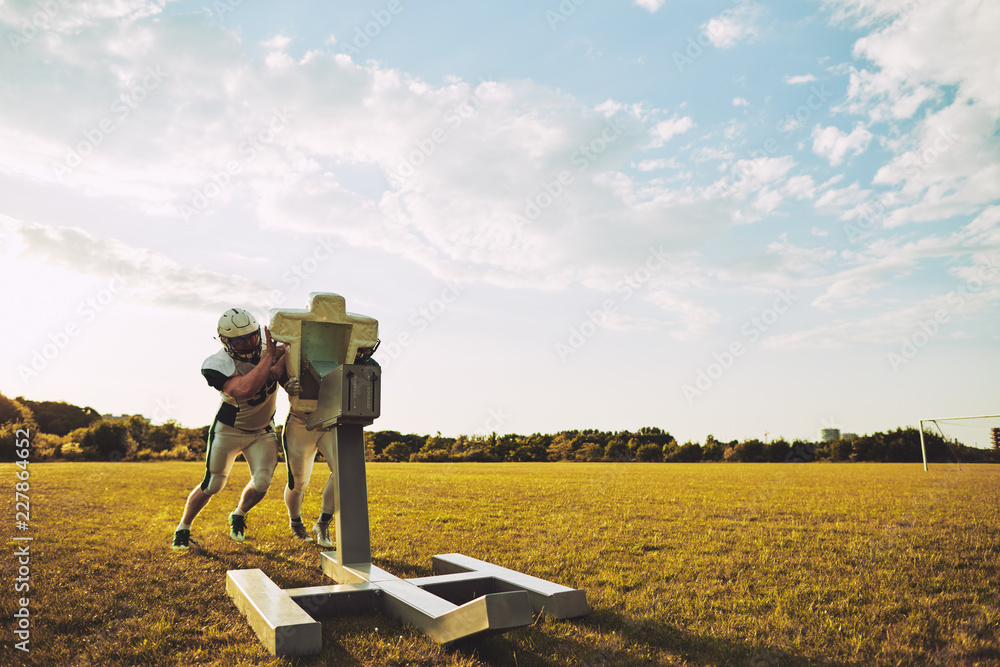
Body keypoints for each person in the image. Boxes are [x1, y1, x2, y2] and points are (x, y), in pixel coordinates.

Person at [172, 308, 286, 550]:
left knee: (263, 482)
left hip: (263, 429)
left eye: (252, 336)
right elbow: (245, 390)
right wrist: (270, 359)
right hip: (229, 429)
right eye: (239, 340)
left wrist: (284, 358)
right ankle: (183, 527)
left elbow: (298, 348)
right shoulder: (216, 365)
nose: (248, 343)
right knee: (213, 484)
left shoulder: (270, 343)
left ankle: (239, 514)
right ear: (226, 342)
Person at [280, 402, 338, 548]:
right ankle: (296, 522)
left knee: (342, 471)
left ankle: (323, 523)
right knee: (298, 482)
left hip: (330, 421)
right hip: (300, 423)